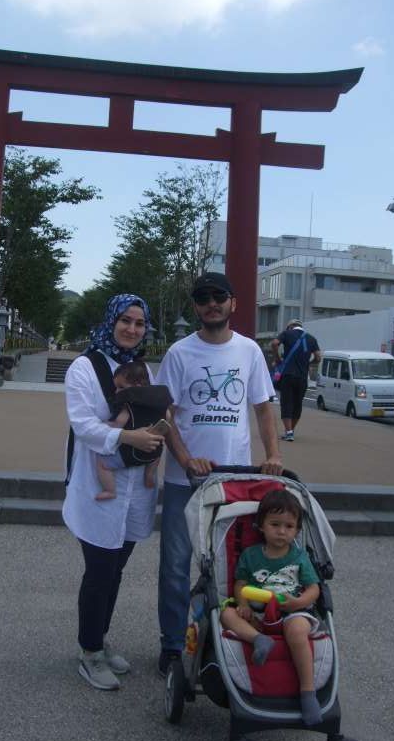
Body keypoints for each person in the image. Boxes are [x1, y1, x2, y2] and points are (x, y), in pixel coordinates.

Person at [156, 271, 283, 678]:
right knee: (176, 567)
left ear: (233, 303)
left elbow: (263, 407)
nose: (211, 303)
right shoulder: (179, 353)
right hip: (185, 482)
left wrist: (274, 455)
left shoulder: (249, 352)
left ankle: (228, 639)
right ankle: (173, 646)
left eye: (219, 296)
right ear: (195, 306)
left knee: (232, 567)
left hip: (234, 480)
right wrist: (186, 457)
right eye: (203, 297)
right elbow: (166, 414)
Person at [62, 294, 165, 691]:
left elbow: (154, 412)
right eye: (125, 320)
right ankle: (88, 651)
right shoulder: (84, 367)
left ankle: (100, 642)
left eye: (140, 323)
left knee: (116, 569)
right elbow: (83, 424)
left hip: (134, 485)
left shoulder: (141, 369)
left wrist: (155, 438)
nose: (132, 329)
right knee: (100, 570)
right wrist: (127, 434)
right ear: (111, 320)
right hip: (98, 481)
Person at [220, 488, 322, 725]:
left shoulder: (298, 557)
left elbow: (313, 588)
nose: (281, 531)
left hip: (291, 611)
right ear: (261, 526)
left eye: (289, 526)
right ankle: (258, 639)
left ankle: (308, 692)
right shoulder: (250, 555)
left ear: (297, 530)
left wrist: (301, 602)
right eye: (275, 524)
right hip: (257, 612)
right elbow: (241, 584)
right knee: (227, 613)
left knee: (297, 630)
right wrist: (243, 604)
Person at [95, 360, 172, 500]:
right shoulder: (160, 403)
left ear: (136, 386)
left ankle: (110, 490)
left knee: (102, 463)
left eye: (121, 387)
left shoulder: (129, 405)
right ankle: (149, 474)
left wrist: (105, 425)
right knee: (157, 452)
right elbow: (168, 417)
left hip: (132, 453)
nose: (117, 391)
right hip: (154, 452)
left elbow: (118, 424)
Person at [271, 319, 320, 442]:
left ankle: (289, 432)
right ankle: (291, 431)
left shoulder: (286, 334)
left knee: (286, 403)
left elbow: (274, 343)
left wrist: (277, 358)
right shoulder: (311, 339)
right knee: (297, 404)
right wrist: (309, 363)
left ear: (290, 327)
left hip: (288, 375)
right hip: (302, 377)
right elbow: (318, 357)